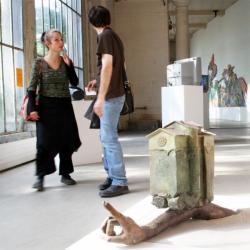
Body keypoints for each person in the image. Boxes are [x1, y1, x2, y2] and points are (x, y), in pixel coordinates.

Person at [27, 29, 81, 191]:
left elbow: (74, 82)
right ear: (48, 43)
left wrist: (70, 66)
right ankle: (40, 176)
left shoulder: (66, 61)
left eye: (61, 39)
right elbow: (31, 87)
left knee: (66, 139)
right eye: (56, 40)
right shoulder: (39, 63)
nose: (60, 42)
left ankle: (65, 174)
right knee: (43, 142)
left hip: (64, 105)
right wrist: (32, 108)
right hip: (45, 106)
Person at [87, 5, 129, 197]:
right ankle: (112, 176)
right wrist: (97, 82)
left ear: (91, 22)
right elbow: (121, 65)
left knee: (109, 138)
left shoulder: (104, 36)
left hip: (111, 96)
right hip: (113, 93)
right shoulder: (113, 36)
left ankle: (120, 181)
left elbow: (108, 67)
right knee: (105, 137)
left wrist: (101, 98)